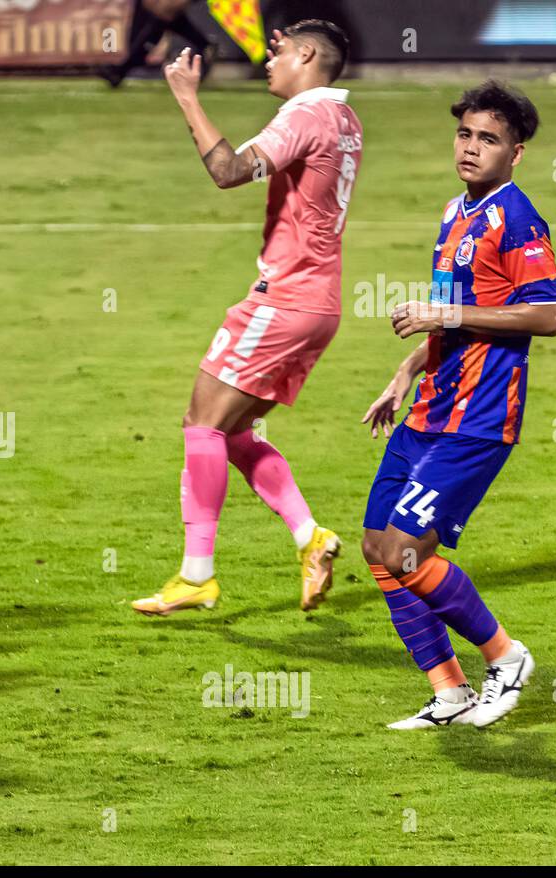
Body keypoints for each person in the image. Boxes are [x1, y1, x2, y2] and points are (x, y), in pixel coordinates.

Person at [131, 20, 361, 616]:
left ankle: (197, 576)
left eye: (278, 52)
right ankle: (310, 537)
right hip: (319, 304)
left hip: (282, 301)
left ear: (306, 55)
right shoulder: (344, 118)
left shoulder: (307, 115)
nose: (268, 61)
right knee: (235, 433)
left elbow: (228, 171)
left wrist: (187, 97)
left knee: (201, 425)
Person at [361, 81, 556, 730]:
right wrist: (404, 372)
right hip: (429, 410)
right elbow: (455, 315)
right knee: (377, 546)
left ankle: (506, 656)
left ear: (516, 153)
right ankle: (450, 692)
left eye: (489, 139)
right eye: (465, 134)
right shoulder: (456, 211)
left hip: (478, 419)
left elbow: (547, 315)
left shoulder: (518, 219)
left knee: (405, 551)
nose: (472, 148)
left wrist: (440, 315)